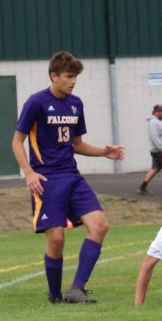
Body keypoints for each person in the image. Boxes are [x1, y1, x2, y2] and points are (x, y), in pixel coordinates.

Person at [11, 51, 126, 304]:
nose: (73, 81)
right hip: (47, 179)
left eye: (75, 77)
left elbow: (76, 144)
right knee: (56, 239)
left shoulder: (76, 104)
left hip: (72, 176)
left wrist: (104, 152)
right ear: (54, 76)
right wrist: (29, 173)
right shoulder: (36, 103)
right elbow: (17, 141)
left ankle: (77, 289)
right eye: (69, 76)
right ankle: (55, 296)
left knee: (99, 226)